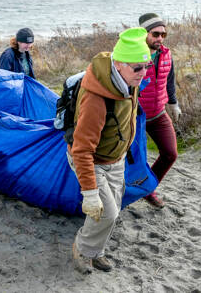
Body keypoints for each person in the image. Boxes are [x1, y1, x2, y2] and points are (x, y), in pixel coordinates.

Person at [68, 27, 151, 274]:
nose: (143, 73)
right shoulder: (97, 99)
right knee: (106, 212)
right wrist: (90, 192)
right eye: (137, 68)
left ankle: (96, 252)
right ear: (118, 63)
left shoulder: (128, 80)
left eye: (146, 66)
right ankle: (82, 250)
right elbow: (82, 150)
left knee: (112, 211)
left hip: (116, 159)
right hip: (91, 160)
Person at [138, 13, 181, 209]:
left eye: (164, 34)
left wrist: (173, 103)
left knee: (170, 154)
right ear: (144, 33)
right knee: (129, 159)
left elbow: (168, 80)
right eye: (156, 34)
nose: (160, 38)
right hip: (134, 116)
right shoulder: (133, 54)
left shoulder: (166, 53)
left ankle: (147, 189)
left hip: (158, 114)